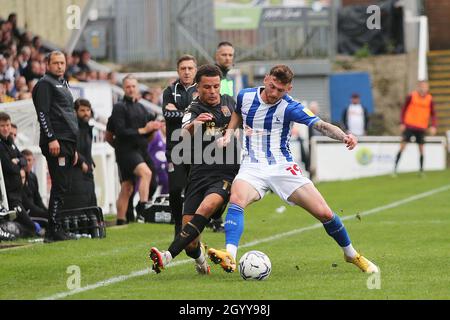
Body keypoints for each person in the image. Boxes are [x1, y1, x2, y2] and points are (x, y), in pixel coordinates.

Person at [207, 65, 379, 274]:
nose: (273, 93)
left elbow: (322, 125)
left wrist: (344, 136)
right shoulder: (245, 95)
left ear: (289, 89)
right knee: (237, 199)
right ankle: (230, 255)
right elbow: (237, 113)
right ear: (266, 79)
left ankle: (351, 254)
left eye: (280, 90)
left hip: (282, 167)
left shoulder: (291, 107)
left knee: (324, 213)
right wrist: (228, 133)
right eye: (272, 87)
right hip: (252, 165)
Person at [149, 64, 240, 275]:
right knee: (190, 241)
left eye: (216, 86)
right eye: (207, 87)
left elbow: (240, 121)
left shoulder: (229, 102)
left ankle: (167, 256)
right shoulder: (193, 110)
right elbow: (182, 134)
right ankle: (200, 261)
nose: (213, 91)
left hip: (225, 173)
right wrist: (195, 125)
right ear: (198, 88)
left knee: (207, 208)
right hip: (199, 174)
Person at [32, 51, 80, 242]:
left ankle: (57, 227)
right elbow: (42, 113)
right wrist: (51, 138)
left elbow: (69, 115)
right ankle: (53, 230)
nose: (60, 66)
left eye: (62, 63)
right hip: (56, 140)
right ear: (48, 64)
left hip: (67, 142)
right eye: (56, 63)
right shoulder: (45, 84)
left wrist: (74, 147)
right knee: (59, 185)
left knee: (63, 186)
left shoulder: (64, 83)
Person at [109, 75, 161, 225]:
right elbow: (119, 131)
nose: (131, 89)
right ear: (123, 88)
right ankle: (143, 212)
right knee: (146, 173)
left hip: (141, 150)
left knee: (128, 186)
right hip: (126, 150)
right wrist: (144, 130)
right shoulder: (119, 107)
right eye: (128, 87)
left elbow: (148, 131)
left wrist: (152, 129)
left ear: (137, 88)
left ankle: (121, 220)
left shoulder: (141, 107)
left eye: (133, 86)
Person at [162, 55, 198, 236]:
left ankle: (193, 225)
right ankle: (178, 224)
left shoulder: (202, 89)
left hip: (198, 150)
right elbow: (167, 116)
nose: (186, 71)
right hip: (174, 148)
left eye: (190, 68)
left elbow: (200, 115)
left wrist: (178, 112)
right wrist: (189, 114)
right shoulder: (169, 90)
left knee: (194, 189)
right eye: (183, 68)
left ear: (195, 70)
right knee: (175, 189)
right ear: (178, 71)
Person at [0, 112, 37, 238]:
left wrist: (18, 161)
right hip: (9, 196)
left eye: (8, 125)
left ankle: (11, 232)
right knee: (31, 227)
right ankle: (10, 233)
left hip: (17, 194)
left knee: (31, 226)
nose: (6, 128)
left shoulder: (10, 141)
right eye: (2, 125)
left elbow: (23, 159)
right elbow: (9, 167)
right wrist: (17, 164)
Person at [394, 81, 437, 175]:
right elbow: (403, 109)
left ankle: (421, 170)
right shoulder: (411, 96)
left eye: (425, 87)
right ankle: (395, 169)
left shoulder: (429, 99)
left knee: (421, 148)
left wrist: (433, 126)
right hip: (409, 125)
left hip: (421, 127)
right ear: (418, 87)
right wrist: (402, 123)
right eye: (422, 86)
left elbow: (433, 114)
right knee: (402, 146)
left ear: (427, 88)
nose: (423, 88)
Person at [62, 98, 97, 209]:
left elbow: (84, 147)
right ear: (75, 112)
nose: (86, 113)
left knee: (90, 197)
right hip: (75, 169)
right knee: (79, 200)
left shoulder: (88, 128)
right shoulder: (72, 128)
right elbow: (69, 147)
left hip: (87, 169)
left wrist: (90, 159)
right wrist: (81, 161)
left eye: (88, 110)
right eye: (82, 110)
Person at [20, 149, 48, 228]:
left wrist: (48, 212)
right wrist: (46, 214)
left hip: (35, 211)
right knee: (48, 221)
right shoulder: (18, 178)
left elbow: (38, 200)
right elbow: (27, 204)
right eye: (26, 160)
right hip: (26, 213)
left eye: (29, 160)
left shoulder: (33, 177)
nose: (27, 163)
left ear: (33, 161)